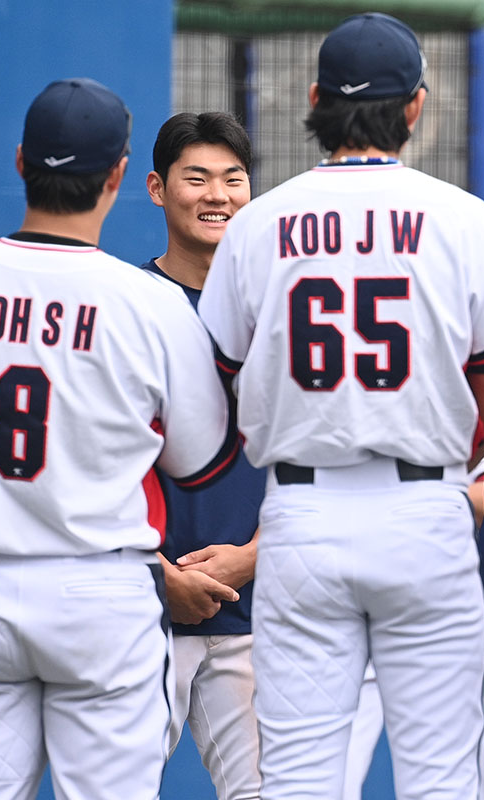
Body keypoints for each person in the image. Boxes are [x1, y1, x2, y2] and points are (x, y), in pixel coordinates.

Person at [0, 77, 239, 800]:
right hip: (102, 589)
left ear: (20, 161)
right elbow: (197, 462)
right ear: (120, 174)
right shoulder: (152, 303)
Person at [197, 13, 484, 799]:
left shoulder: (259, 223)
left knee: (298, 777)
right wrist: (450, 457)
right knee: (441, 774)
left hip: (302, 512)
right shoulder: (460, 217)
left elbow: (219, 378)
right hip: (424, 509)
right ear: (415, 106)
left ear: (315, 99)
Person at [143, 110, 265, 800]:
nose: (217, 195)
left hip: (256, 608)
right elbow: (84, 461)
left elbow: (321, 457)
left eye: (233, 178)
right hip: (143, 608)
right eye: (197, 178)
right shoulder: (125, 306)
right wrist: (156, 572)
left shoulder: (283, 309)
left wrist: (253, 556)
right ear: (157, 189)